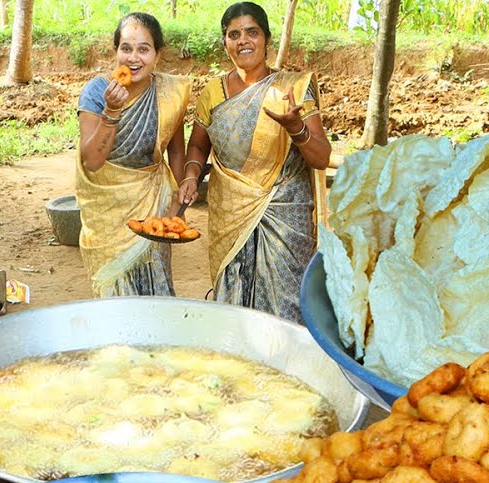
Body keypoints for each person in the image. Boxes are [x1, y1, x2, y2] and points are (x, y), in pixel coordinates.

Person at [177, 1, 331, 323]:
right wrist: (191, 176)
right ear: (225, 43)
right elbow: (197, 147)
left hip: (285, 214)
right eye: (234, 34)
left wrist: (296, 128)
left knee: (287, 306)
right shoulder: (212, 93)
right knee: (234, 306)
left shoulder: (292, 89)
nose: (243, 40)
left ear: (266, 39)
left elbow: (321, 157)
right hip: (229, 215)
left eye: (252, 32)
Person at [75, 13, 190, 297]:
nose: (133, 58)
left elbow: (176, 150)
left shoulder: (168, 92)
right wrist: (111, 112)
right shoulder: (97, 91)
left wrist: (178, 206)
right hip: (107, 210)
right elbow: (91, 160)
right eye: (126, 48)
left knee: (155, 284)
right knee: (114, 289)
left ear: (157, 54)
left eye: (143, 48)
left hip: (153, 203)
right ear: (116, 51)